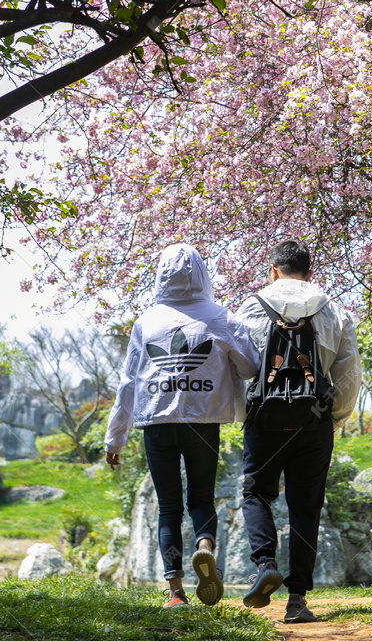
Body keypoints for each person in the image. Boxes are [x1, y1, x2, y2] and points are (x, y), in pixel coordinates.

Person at [104, 244, 259, 608]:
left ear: (159, 275)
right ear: (203, 274)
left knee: (168, 507)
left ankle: (175, 593)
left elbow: (129, 383)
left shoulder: (146, 322)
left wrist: (115, 438)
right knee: (202, 499)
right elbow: (251, 366)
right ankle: (204, 547)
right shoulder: (221, 316)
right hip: (203, 423)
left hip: (156, 423)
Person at [235, 239, 362, 622]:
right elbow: (348, 373)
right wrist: (333, 417)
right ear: (310, 273)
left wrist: (247, 413)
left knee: (256, 493)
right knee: (305, 507)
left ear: (272, 270)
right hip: (313, 422)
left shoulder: (248, 307)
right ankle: (297, 601)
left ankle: (264, 565)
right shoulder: (332, 309)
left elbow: (238, 367)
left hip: (265, 422)